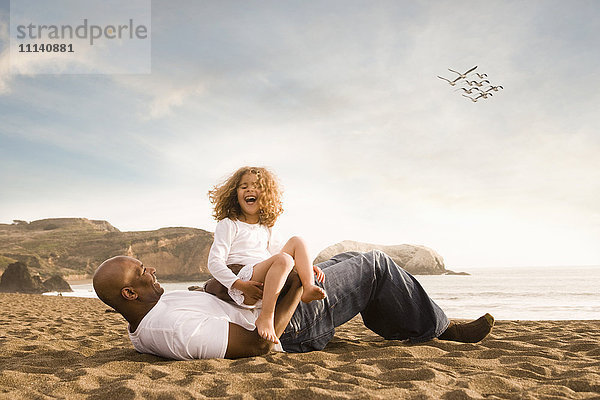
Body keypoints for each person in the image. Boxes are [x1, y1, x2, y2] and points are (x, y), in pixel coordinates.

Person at [93, 251, 495, 360]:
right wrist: (293, 292)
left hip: (278, 309)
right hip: (294, 330)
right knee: (374, 264)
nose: (153, 270)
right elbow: (258, 346)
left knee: (347, 257)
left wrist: (231, 282)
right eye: (142, 271)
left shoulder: (160, 307)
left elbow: (212, 298)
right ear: (129, 294)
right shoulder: (170, 328)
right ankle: (441, 330)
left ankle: (408, 327)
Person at [207, 166, 325, 343]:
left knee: (297, 241)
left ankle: (308, 287)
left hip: (267, 281)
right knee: (284, 259)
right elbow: (214, 262)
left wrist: (304, 266)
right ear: (234, 194)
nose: (250, 189)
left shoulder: (267, 228)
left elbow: (280, 257)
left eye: (257, 186)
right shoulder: (229, 224)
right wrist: (239, 284)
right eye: (243, 186)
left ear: (267, 194)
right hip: (243, 278)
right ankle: (266, 316)